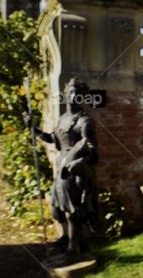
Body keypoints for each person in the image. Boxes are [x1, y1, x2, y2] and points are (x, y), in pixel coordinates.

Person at [25, 77, 98, 258]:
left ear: (83, 98)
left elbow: (94, 152)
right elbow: (54, 140)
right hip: (61, 166)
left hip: (73, 170)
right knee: (58, 207)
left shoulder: (84, 122)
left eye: (78, 93)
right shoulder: (63, 119)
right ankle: (70, 239)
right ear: (65, 95)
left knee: (73, 210)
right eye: (71, 92)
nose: (74, 96)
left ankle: (73, 249)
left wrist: (79, 162)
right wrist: (34, 130)